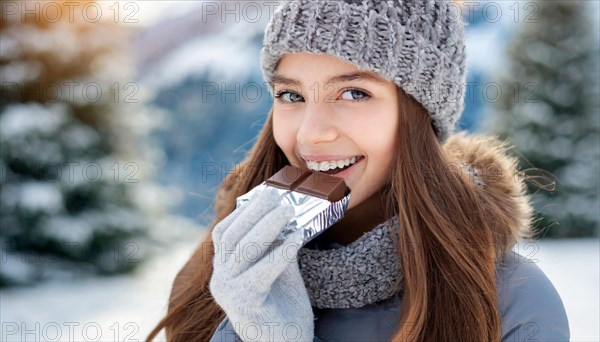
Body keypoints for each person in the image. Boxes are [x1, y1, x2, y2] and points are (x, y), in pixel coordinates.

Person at [146, 0, 570, 341]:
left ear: (420, 113)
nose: (311, 135)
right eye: (291, 95)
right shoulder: (213, 278)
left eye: (353, 92)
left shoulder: (512, 302)